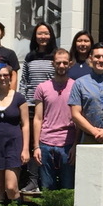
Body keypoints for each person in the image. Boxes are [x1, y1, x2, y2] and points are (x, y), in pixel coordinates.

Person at [0, 64, 30, 202]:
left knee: (11, 187)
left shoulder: (19, 98)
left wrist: (25, 149)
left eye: (5, 75)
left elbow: (25, 125)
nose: (2, 78)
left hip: (14, 145)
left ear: (10, 77)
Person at [19, 22, 57, 192]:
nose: (43, 37)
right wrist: (22, 102)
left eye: (46, 33)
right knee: (33, 143)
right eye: (40, 33)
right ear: (35, 36)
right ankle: (33, 180)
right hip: (31, 106)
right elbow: (24, 81)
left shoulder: (56, 56)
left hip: (50, 105)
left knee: (47, 142)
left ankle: (48, 180)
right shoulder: (30, 57)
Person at [33, 49, 76, 190]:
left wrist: (75, 145)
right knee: (47, 188)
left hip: (68, 144)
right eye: (58, 63)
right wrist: (36, 146)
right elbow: (38, 118)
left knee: (68, 188)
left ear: (70, 64)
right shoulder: (42, 87)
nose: (62, 66)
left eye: (65, 63)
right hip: (46, 143)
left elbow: (79, 119)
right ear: (53, 64)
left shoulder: (76, 86)